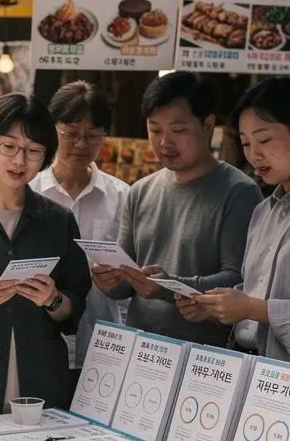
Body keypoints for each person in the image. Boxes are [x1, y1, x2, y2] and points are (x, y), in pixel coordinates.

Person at [0, 93, 90, 418]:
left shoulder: (58, 220)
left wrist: (53, 299)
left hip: (42, 388)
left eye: (33, 151)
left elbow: (75, 306)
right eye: (9, 146)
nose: (20, 161)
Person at [177, 78, 290, 368]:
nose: (254, 155)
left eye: (264, 140)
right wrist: (216, 307)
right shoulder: (264, 210)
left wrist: (253, 309)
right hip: (251, 369)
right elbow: (259, 288)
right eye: (246, 143)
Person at [92, 71, 262, 347]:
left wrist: (168, 287)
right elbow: (126, 283)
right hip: (141, 349)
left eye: (179, 130)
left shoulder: (239, 192)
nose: (164, 142)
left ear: (208, 125)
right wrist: (108, 280)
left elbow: (239, 280)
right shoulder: (140, 191)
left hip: (205, 356)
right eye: (155, 129)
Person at [30, 80, 128, 373]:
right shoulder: (30, 193)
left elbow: (134, 276)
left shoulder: (123, 197)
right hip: (41, 345)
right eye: (71, 134)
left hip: (104, 347)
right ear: (52, 130)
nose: (82, 144)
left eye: (93, 136)